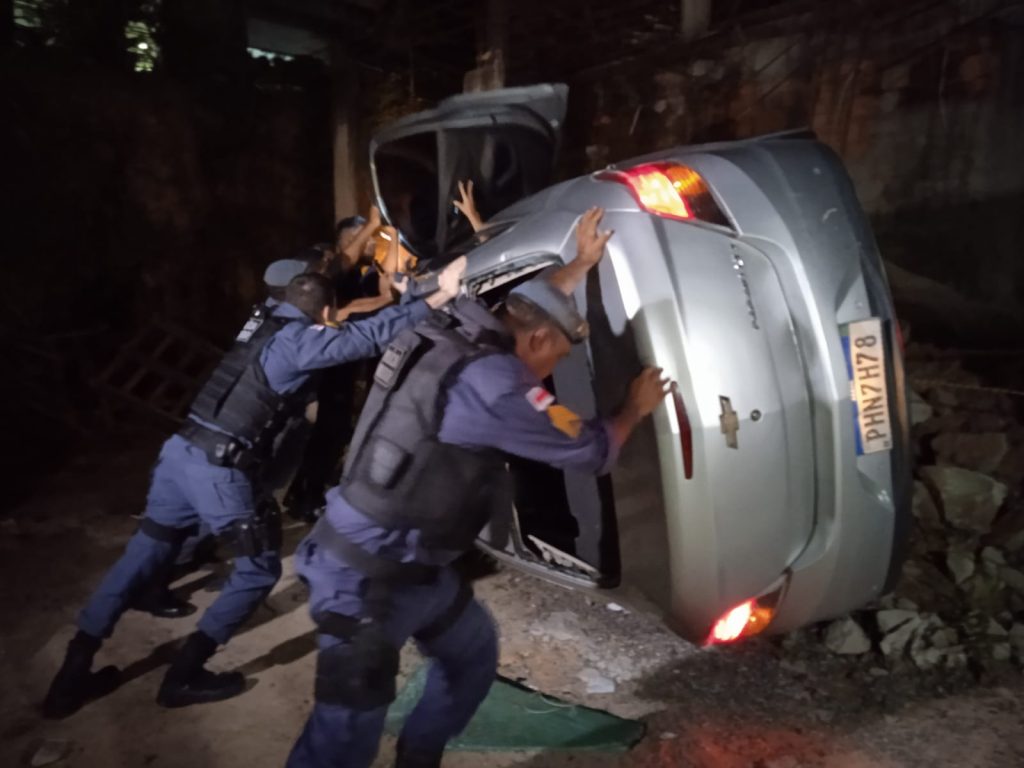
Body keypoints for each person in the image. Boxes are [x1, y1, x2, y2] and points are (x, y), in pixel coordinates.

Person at [285, 207, 673, 768]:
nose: (549, 375)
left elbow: (536, 303)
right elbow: (592, 450)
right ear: (537, 339)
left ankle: (418, 759)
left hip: (417, 567)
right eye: (556, 359)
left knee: (471, 659)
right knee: (344, 737)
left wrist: (579, 265)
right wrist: (634, 408)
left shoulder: (456, 326)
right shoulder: (499, 386)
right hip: (363, 577)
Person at [43, 259, 467, 719]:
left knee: (142, 554)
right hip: (218, 469)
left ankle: (71, 674)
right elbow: (365, 337)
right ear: (327, 313)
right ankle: (184, 674)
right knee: (257, 571)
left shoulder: (260, 324)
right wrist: (439, 296)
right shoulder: (298, 343)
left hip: (179, 455)